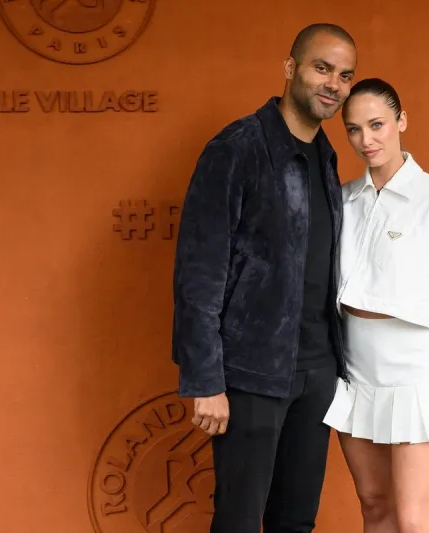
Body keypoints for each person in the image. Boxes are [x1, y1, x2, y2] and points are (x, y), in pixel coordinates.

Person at [171, 23, 357, 533]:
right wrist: (205, 380)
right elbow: (199, 272)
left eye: (344, 75)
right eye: (323, 68)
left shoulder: (325, 155)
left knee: (296, 521)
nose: (334, 84)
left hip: (317, 373)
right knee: (238, 521)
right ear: (290, 68)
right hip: (251, 373)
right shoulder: (237, 148)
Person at [322, 78, 429, 533]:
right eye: (354, 129)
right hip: (355, 372)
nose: (366, 140)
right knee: (374, 505)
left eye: (377, 125)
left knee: (416, 521)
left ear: (401, 121)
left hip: (414, 375)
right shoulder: (342, 200)